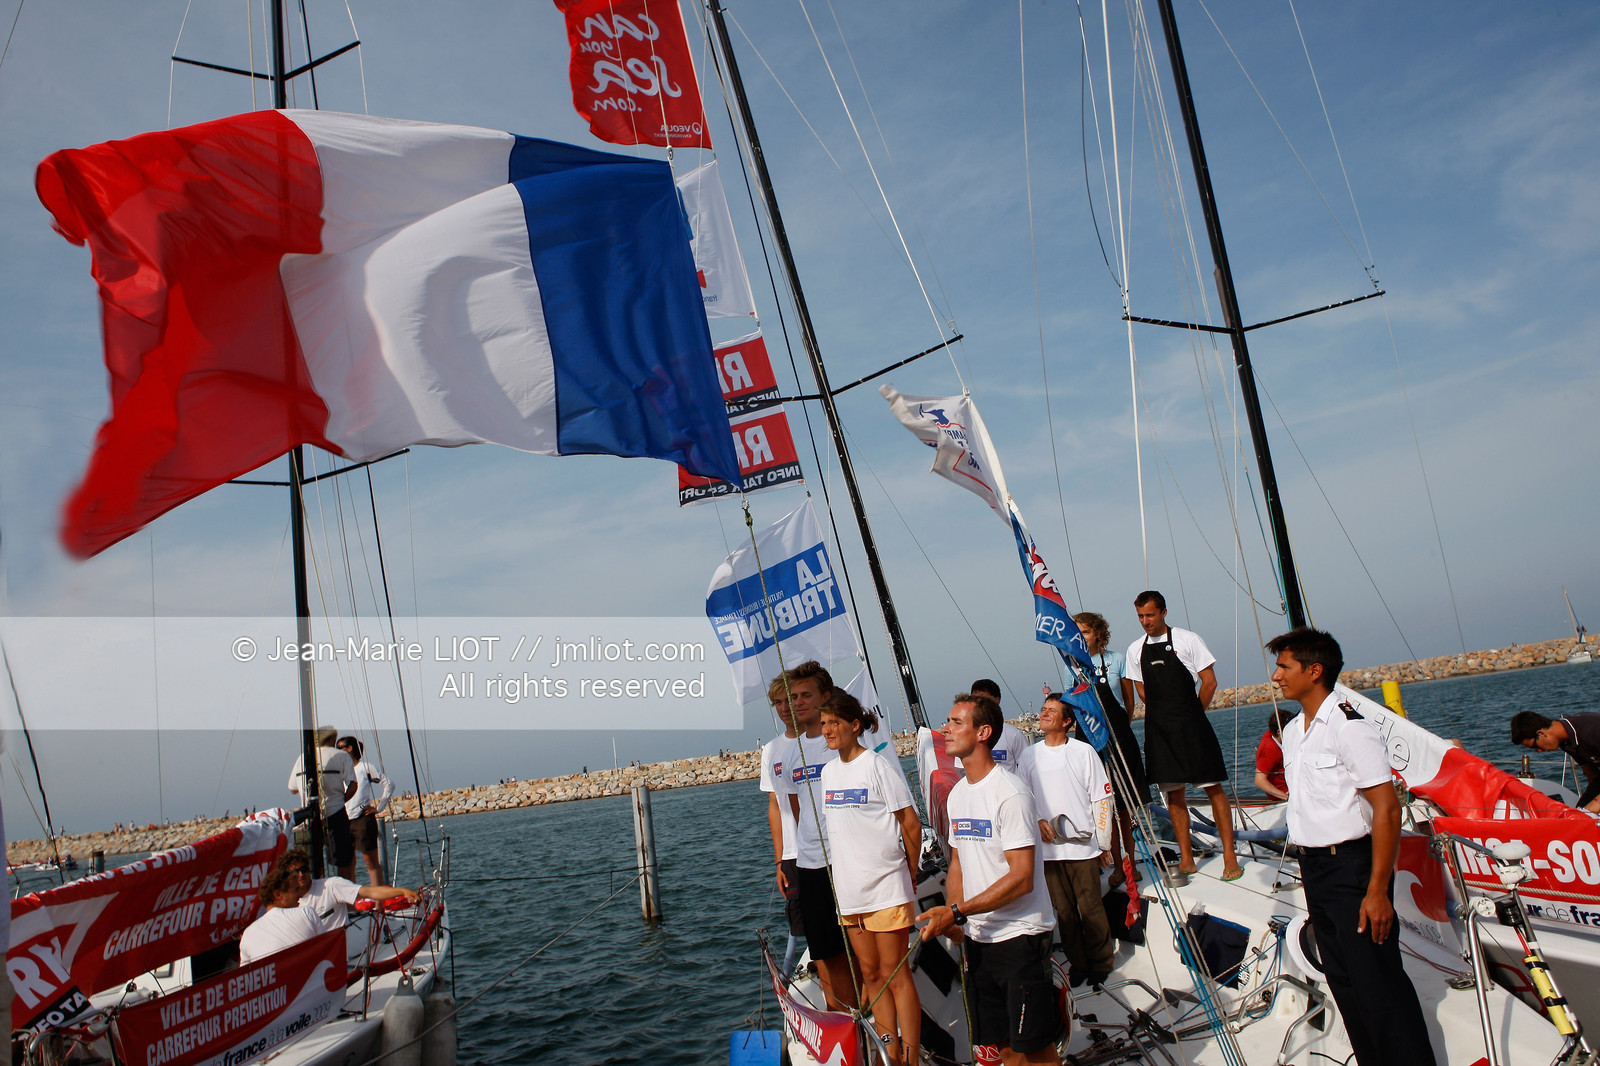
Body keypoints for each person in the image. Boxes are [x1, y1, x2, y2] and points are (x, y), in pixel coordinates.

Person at [1269, 627, 1436, 1066]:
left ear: (1314, 671)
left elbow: (1387, 809)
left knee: (1379, 987)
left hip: (1352, 871)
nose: (1276, 676)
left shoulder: (1349, 728)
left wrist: (1377, 891)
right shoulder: (1293, 732)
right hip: (1315, 870)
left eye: (1284, 666)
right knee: (1343, 982)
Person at [919, 693, 1061, 1065]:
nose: (945, 729)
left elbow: (1022, 878)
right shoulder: (957, 795)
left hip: (1020, 937)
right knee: (1002, 1047)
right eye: (948, 722)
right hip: (978, 938)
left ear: (983, 732)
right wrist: (956, 918)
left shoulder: (1011, 793)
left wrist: (957, 912)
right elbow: (958, 865)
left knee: (1036, 1050)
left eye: (956, 722)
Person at [819, 689, 922, 1066]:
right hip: (849, 893)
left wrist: (911, 871)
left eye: (834, 723)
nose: (828, 730)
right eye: (824, 723)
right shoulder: (828, 773)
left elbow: (910, 823)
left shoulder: (877, 766)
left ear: (854, 725)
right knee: (870, 974)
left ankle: (910, 1056)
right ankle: (888, 1051)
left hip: (886, 887)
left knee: (896, 974)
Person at [1124, 592, 1241, 884]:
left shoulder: (1188, 640)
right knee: (1173, 794)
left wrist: (1195, 712)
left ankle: (1229, 855)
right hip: (1159, 729)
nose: (1145, 621)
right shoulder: (1135, 650)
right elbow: (1142, 692)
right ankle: (1187, 857)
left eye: (1150, 615)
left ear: (1164, 612)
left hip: (1193, 724)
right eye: (1140, 616)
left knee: (1213, 787)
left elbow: (1209, 681)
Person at [1017, 692, 1115, 987]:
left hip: (1082, 849)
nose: (1044, 713)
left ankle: (1102, 963)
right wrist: (1037, 821)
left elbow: (1101, 800)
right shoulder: (1029, 756)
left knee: (1091, 909)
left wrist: (1104, 844)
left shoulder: (1083, 752)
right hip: (1049, 852)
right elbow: (1021, 797)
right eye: (1044, 708)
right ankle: (1078, 964)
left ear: (1067, 722)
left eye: (1052, 711)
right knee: (1065, 913)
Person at [776, 660, 857, 1010]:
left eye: (805, 695)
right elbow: (797, 811)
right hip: (810, 866)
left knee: (859, 952)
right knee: (825, 953)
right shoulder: (789, 755)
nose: (797, 703)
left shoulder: (839, 743)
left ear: (825, 696)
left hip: (847, 861)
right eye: (793, 697)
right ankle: (843, 1018)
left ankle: (872, 1019)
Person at [1073, 611, 1150, 886]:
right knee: (1103, 803)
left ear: (1098, 634)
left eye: (1086, 632)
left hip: (1118, 735)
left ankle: (1130, 863)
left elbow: (1127, 701)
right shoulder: (1073, 666)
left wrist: (1120, 727)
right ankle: (1115, 864)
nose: (1082, 637)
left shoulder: (1117, 660)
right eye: (1078, 632)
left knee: (1125, 806)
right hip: (1089, 738)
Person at [241, 849, 419, 964]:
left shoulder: (331, 886)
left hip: (340, 953)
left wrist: (402, 891)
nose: (301, 875)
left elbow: (368, 892)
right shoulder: (284, 904)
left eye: (304, 869)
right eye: (295, 872)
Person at [759, 675, 804, 946]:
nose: (785, 707)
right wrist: (779, 862)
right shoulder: (770, 750)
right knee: (807, 928)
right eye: (778, 702)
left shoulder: (823, 740)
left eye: (789, 700)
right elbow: (774, 806)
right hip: (792, 856)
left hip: (826, 850)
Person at [288, 726, 358, 879]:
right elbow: (353, 786)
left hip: (308, 816)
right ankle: (344, 891)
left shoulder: (302, 758)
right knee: (343, 862)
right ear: (333, 739)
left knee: (312, 862)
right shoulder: (341, 756)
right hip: (335, 813)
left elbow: (292, 788)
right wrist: (341, 799)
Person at [1511, 711, 1600, 811]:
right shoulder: (1565, 742)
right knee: (1578, 815)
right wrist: (1584, 809)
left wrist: (1592, 808)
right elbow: (1592, 775)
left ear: (1541, 733)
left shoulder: (1592, 731)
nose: (1539, 751)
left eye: (1535, 747)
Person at [337, 736, 394, 886]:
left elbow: (389, 784)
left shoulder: (365, 768)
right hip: (344, 821)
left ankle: (378, 898)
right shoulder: (340, 772)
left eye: (340, 748)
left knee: (370, 862)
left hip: (362, 819)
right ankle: (352, 899)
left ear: (350, 748)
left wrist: (379, 808)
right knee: (348, 865)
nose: (337, 751)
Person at [968, 679, 1031, 771]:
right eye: (974, 699)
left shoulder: (1013, 735)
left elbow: (1027, 769)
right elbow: (961, 772)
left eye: (982, 699)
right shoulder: (965, 735)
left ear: (997, 700)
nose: (978, 704)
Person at [1254, 709, 1296, 802]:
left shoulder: (1270, 735)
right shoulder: (1270, 749)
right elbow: (1259, 780)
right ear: (1279, 732)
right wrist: (1287, 798)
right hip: (1287, 793)